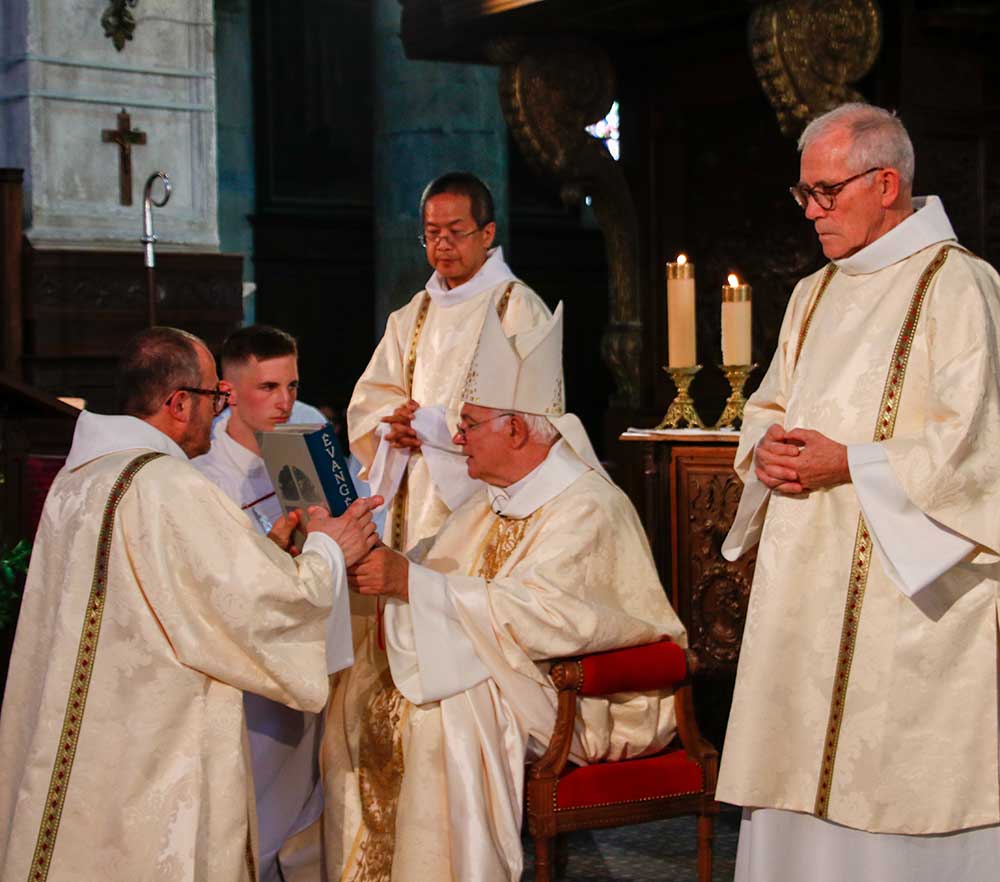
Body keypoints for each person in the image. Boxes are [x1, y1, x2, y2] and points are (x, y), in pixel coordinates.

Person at [719, 102, 1000, 881]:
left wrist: (854, 464)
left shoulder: (961, 285)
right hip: (806, 582)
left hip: (912, 598)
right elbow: (769, 404)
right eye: (802, 194)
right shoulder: (812, 293)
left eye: (825, 192)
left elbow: (976, 448)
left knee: (898, 783)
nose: (811, 212)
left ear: (885, 183)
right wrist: (763, 448)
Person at [0, 327, 381, 882]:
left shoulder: (80, 479)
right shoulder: (168, 485)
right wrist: (329, 547)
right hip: (158, 743)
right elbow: (273, 603)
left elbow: (177, 590)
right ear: (179, 403)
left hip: (92, 730)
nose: (219, 409)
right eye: (213, 397)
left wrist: (269, 554)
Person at [323, 304, 685, 881]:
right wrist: (365, 562)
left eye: (468, 424)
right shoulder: (492, 494)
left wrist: (411, 582)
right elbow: (434, 563)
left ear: (515, 429)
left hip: (580, 697)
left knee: (441, 721)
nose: (456, 436)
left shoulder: (585, 506)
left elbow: (558, 620)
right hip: (506, 670)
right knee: (357, 684)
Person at [192, 324, 342, 882]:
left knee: (313, 792)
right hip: (251, 666)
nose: (285, 402)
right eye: (269, 388)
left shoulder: (310, 434)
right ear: (228, 394)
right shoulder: (202, 471)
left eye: (293, 385)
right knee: (253, 806)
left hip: (316, 639)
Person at [347, 171, 551, 555]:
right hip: (414, 491)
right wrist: (395, 422)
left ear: (487, 234)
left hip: (483, 496)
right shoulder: (411, 315)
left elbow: (533, 416)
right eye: (432, 233)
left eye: (456, 232)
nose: (443, 244)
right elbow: (368, 401)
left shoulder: (518, 309)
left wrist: (431, 427)